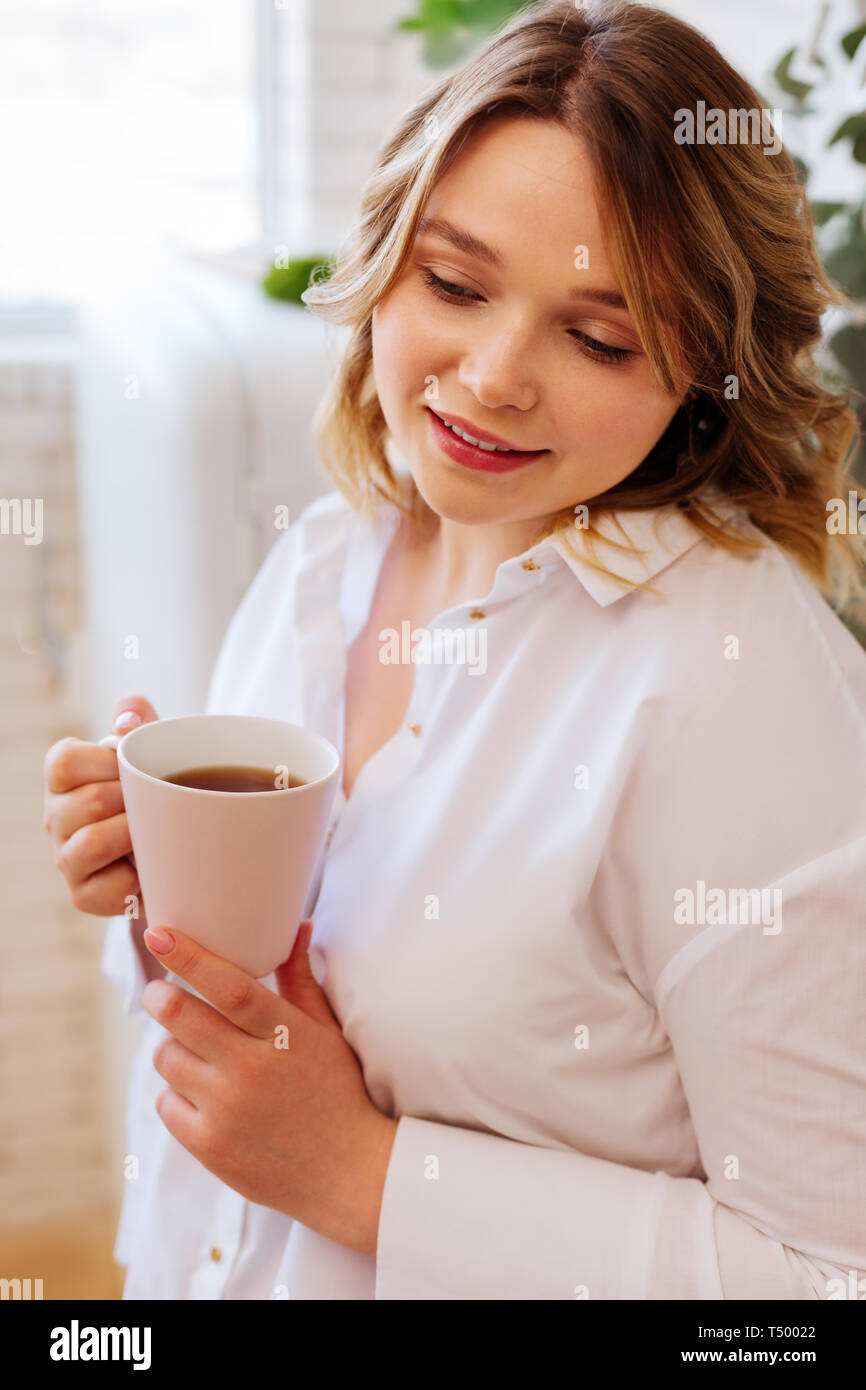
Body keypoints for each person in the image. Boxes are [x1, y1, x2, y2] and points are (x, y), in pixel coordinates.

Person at [44, 0, 866, 1299]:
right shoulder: (332, 554)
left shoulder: (737, 693)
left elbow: (829, 1275)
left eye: (596, 336)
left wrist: (366, 1176)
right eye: (453, 282)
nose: (489, 375)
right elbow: (298, 1005)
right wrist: (172, 897)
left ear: (707, 369)